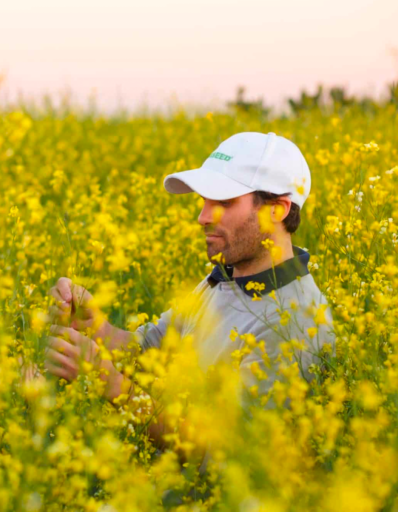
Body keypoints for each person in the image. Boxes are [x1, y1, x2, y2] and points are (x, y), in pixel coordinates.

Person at [45, 131, 335, 449]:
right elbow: (151, 351)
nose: (202, 217)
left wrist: (112, 386)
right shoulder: (223, 278)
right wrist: (96, 327)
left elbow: (225, 451)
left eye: (223, 202)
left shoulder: (295, 324)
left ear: (276, 210)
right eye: (204, 201)